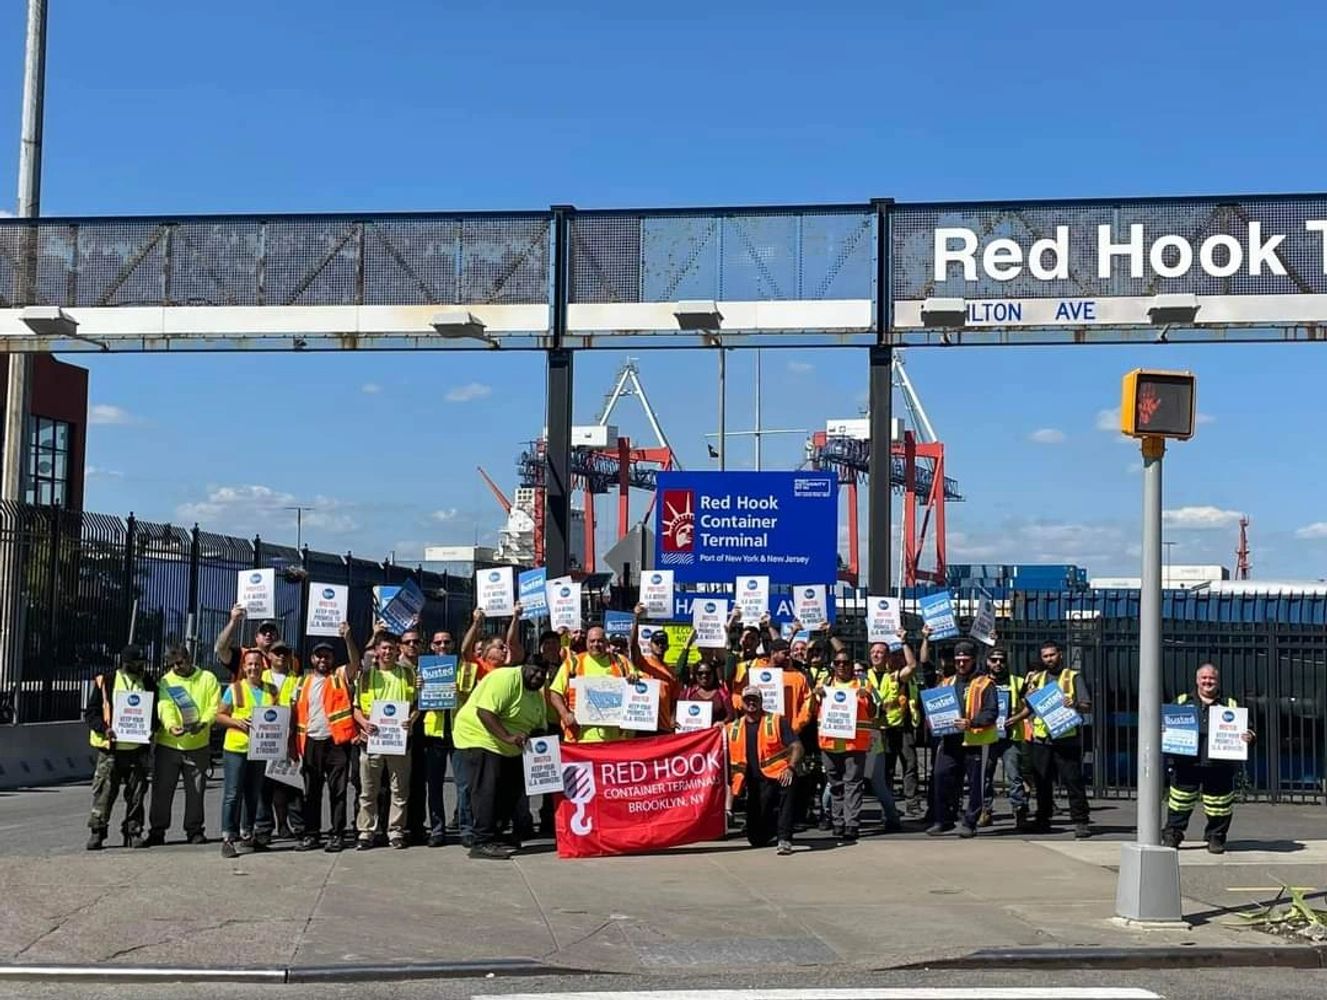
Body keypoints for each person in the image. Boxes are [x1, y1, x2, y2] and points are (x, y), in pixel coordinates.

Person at [453, 657, 551, 859]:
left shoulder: (537, 695)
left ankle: (496, 834)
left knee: (511, 791)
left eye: (543, 673)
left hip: (511, 748)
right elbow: (485, 712)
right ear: (524, 666)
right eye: (535, 670)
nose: (538, 676)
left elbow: (540, 727)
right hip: (480, 737)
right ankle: (481, 841)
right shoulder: (505, 678)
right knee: (486, 790)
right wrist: (508, 737)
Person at [1163, 663, 1255, 854]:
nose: (1207, 681)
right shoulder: (1182, 701)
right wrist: (1164, 730)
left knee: (1220, 806)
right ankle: (1173, 835)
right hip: (1186, 763)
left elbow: (1250, 729)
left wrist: (1249, 736)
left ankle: (1216, 838)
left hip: (1219, 765)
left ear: (1217, 680)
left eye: (1211, 678)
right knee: (1179, 802)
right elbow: (1165, 724)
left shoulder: (1230, 704)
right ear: (1197, 680)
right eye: (1204, 678)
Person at [293, 627, 360, 853]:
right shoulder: (302, 683)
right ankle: (311, 835)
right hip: (310, 742)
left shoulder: (340, 676)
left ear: (333, 659)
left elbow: (356, 662)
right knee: (311, 792)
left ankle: (337, 834)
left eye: (327, 656)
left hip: (336, 743)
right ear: (313, 658)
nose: (323, 659)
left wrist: (347, 637)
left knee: (338, 791)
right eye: (319, 656)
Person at [147, 645, 222, 846]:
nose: (175, 667)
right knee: (162, 790)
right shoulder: (167, 680)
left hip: (198, 744)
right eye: (171, 664)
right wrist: (171, 726)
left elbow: (214, 706)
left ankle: (195, 830)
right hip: (169, 744)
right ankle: (157, 830)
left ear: (189, 658)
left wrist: (204, 723)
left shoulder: (208, 678)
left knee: (196, 791)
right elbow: (164, 706)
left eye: (179, 662)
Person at [83, 645, 153, 850]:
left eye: (142, 663)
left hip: (137, 749)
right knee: (104, 792)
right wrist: (104, 729)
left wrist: (152, 729)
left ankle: (133, 831)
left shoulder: (147, 682)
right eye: (137, 664)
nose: (141, 667)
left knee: (137, 794)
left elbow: (155, 711)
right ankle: (98, 831)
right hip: (111, 749)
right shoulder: (106, 681)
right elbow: (91, 713)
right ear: (126, 664)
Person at [927, 641, 998, 838]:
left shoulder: (985, 684)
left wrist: (971, 723)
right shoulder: (947, 682)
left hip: (975, 741)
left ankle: (970, 822)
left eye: (965, 660)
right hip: (950, 740)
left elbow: (991, 712)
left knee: (976, 785)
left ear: (973, 660)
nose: (960, 664)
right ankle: (943, 820)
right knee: (941, 777)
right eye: (957, 660)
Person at [354, 631, 416, 850]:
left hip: (399, 741)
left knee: (399, 790)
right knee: (368, 790)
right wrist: (363, 723)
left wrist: (411, 720)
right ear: (377, 651)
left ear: (397, 649)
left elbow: (417, 705)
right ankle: (366, 831)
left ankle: (396, 830)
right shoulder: (366, 676)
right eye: (384, 648)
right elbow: (356, 708)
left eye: (391, 648)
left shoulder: (408, 675)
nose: (388, 652)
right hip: (372, 741)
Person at [1025, 639, 1092, 839]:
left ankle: (1081, 821)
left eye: (1052, 655)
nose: (1049, 659)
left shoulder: (1072, 676)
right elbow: (1028, 706)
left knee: (1073, 781)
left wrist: (1075, 704)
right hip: (1042, 739)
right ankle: (1043, 819)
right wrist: (1028, 696)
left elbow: (1087, 705)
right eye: (1045, 656)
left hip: (1066, 738)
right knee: (1042, 782)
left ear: (1060, 654)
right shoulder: (1037, 678)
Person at [215, 650, 278, 858]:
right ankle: (228, 838)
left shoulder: (271, 690)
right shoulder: (234, 689)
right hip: (236, 748)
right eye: (250, 664)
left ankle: (247, 833)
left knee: (253, 794)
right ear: (244, 667)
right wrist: (236, 722)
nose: (253, 668)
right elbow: (219, 716)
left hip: (259, 749)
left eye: (257, 665)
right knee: (233, 794)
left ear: (263, 667)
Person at [727, 689, 804, 855]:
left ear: (761, 701)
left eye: (755, 699)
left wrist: (791, 767)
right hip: (755, 782)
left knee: (788, 786)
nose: (751, 703)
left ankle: (785, 838)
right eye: (748, 699)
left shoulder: (776, 721)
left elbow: (797, 746)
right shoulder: (733, 727)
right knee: (756, 839)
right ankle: (771, 828)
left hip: (779, 774)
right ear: (742, 702)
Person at [815, 651, 879, 842]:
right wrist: (815, 695)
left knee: (853, 785)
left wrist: (867, 696)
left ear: (852, 664)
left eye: (846, 662)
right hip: (829, 742)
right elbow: (812, 709)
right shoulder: (825, 684)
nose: (841, 665)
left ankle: (851, 824)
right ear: (833, 665)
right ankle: (838, 822)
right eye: (838, 662)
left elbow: (875, 711)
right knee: (835, 785)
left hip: (854, 744)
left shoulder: (864, 683)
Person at [865, 632, 922, 818]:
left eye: (880, 652)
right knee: (885, 770)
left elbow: (913, 666)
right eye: (873, 651)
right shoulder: (864, 677)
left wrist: (904, 641)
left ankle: (912, 803)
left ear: (887, 656)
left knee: (910, 764)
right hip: (879, 730)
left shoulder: (895, 676)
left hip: (900, 727)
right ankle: (888, 807)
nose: (876, 655)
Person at [549, 626, 629, 744]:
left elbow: (641, 682)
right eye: (592, 641)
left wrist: (634, 678)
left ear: (606, 643)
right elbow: (555, 693)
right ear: (587, 642)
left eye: (600, 641)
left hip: (614, 739)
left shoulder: (621, 662)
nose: (596, 644)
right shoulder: (573, 663)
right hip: (579, 738)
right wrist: (565, 714)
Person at [981, 645, 1031, 829]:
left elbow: (1031, 706)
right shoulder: (981, 682)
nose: (998, 663)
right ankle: (985, 811)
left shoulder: (1017, 682)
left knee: (1014, 777)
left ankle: (1020, 811)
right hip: (987, 736)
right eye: (994, 660)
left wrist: (1016, 718)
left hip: (1011, 736)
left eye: (1001, 660)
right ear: (988, 662)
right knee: (985, 776)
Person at [420, 629, 462, 848]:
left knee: (463, 785)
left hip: (458, 733)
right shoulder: (422, 670)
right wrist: (419, 689)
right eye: (439, 643)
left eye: (447, 642)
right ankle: (437, 830)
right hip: (434, 734)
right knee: (434, 786)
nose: (443, 646)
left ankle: (464, 827)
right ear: (432, 647)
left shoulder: (462, 669)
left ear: (453, 644)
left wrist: (460, 691)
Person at [261, 641, 304, 840]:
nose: (281, 656)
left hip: (290, 737)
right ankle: (266, 828)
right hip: (265, 737)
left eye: (285, 653)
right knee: (266, 787)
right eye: (277, 653)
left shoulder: (297, 680)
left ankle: (295, 825)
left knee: (290, 784)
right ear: (269, 655)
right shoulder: (260, 678)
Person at [629, 605, 681, 734]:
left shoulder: (672, 673)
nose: (660, 645)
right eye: (656, 642)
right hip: (643, 725)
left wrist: (673, 718)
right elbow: (632, 644)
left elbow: (674, 700)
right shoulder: (642, 662)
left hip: (663, 727)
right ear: (650, 645)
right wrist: (636, 618)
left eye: (663, 642)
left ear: (667, 646)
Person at [214, 606, 292, 681]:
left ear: (277, 637)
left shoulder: (283, 660)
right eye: (263, 632)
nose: (268, 634)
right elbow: (221, 649)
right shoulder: (243, 655)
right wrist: (233, 621)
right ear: (256, 638)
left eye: (272, 632)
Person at [678, 639, 733, 726]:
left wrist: (723, 722)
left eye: (708, 673)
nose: (704, 676)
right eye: (700, 673)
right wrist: (686, 647)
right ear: (695, 675)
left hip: (713, 737)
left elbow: (731, 715)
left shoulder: (722, 693)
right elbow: (678, 672)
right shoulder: (688, 693)